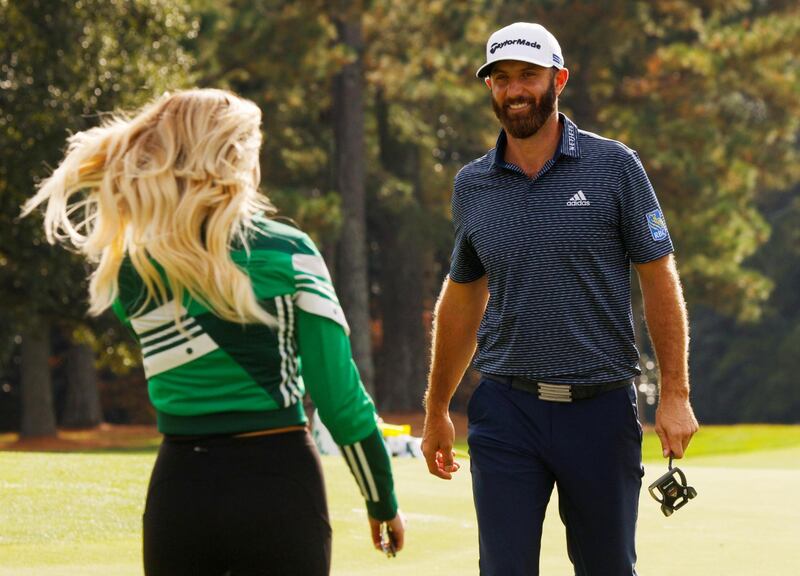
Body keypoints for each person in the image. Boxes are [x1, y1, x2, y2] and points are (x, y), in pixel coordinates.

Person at [22, 88, 404, 576]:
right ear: (236, 158)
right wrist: (381, 499)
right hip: (280, 484)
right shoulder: (290, 251)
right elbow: (340, 399)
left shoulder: (134, 268)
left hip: (181, 492)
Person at [421, 22, 698, 576]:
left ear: (559, 79)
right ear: (490, 89)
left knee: (607, 568)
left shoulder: (616, 167)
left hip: (599, 409)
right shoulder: (473, 184)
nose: (515, 89)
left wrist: (675, 392)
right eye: (501, 78)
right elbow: (463, 296)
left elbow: (658, 276)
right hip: (506, 407)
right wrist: (435, 409)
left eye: (528, 75)